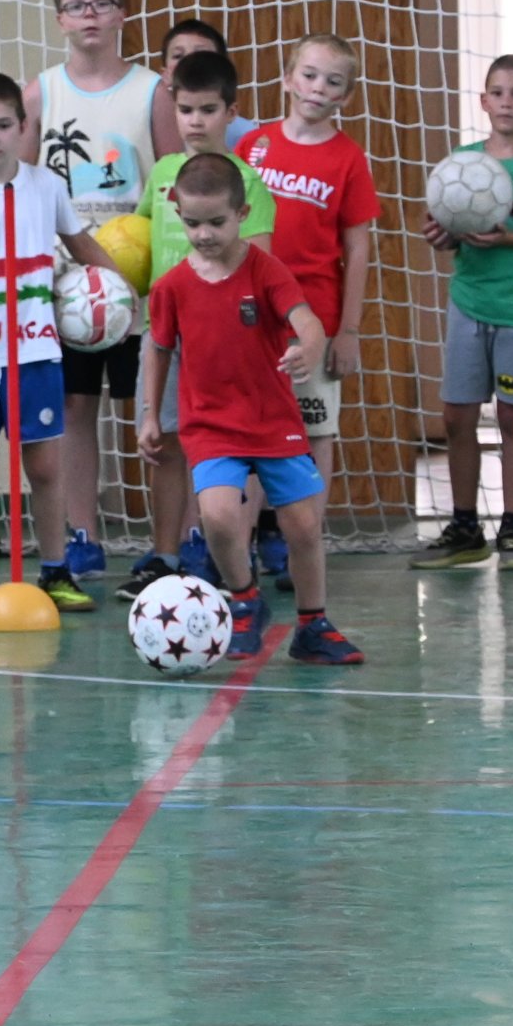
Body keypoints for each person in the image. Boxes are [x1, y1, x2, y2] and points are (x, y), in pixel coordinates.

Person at [141, 154, 364, 665]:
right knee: (219, 517)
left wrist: (309, 346)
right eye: (192, 222)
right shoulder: (172, 286)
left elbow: (305, 319)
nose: (203, 234)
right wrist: (152, 414)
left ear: (242, 215)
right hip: (210, 425)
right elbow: (158, 348)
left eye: (215, 222)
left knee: (304, 526)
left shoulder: (266, 270)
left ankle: (313, 624)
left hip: (273, 421)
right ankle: (244, 599)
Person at [0, 72, 120, 616]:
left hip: (36, 354)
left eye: (3, 125)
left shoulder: (46, 186)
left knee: (46, 467)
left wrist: (122, 292)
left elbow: (81, 246)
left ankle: (55, 570)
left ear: (23, 127)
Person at [22, 0, 180, 582]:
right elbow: (24, 189)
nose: (90, 15)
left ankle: (174, 538)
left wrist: (163, 281)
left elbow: (173, 184)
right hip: (67, 289)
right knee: (73, 410)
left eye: (102, 3)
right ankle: (81, 533)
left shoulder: (152, 91)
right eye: (78, 5)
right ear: (61, 18)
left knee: (150, 412)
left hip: (140, 289)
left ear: (122, 13)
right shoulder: (40, 93)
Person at [116, 50, 276, 603]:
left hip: (225, 343)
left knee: (232, 448)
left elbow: (260, 264)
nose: (196, 121)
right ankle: (164, 555)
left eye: (208, 109)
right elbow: (131, 246)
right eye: (186, 109)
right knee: (163, 445)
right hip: (163, 336)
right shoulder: (162, 174)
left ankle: (229, 551)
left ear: (231, 112)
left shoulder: (248, 183)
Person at [411, 53, 513, 571]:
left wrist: (508, 237)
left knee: (511, 418)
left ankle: (512, 528)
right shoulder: (463, 163)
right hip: (468, 302)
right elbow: (440, 225)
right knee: (456, 416)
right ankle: (464, 525)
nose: (507, 102)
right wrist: (438, 235)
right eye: (497, 93)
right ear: (483, 102)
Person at [236, 34, 381, 590]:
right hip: (253, 322)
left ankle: (305, 549)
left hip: (314, 323)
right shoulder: (251, 146)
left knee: (314, 436)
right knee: (248, 438)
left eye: (333, 81)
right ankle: (239, 557)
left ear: (347, 94)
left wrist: (348, 330)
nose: (319, 88)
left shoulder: (347, 157)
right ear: (288, 77)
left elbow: (359, 246)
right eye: (311, 75)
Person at [159, 17, 259, 149]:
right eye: (178, 56)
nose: (190, 61)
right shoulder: (154, 126)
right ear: (164, 74)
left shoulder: (246, 134)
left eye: (202, 54)